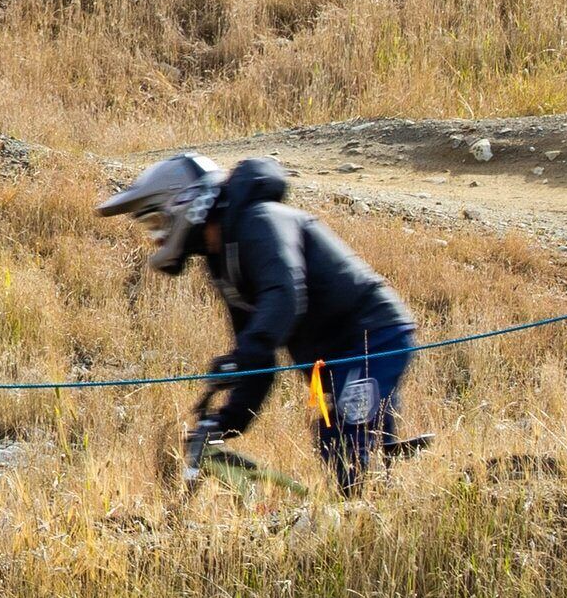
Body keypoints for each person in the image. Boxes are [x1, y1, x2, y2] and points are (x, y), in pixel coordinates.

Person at [95, 153, 419, 495]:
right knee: (332, 436)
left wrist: (246, 352)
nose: (158, 236)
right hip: (327, 362)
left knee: (346, 438)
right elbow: (258, 357)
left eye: (158, 222)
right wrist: (227, 419)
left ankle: (366, 521)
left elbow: (285, 295)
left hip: (371, 336)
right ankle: (379, 499)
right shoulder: (222, 262)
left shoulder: (260, 221)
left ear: (183, 203)